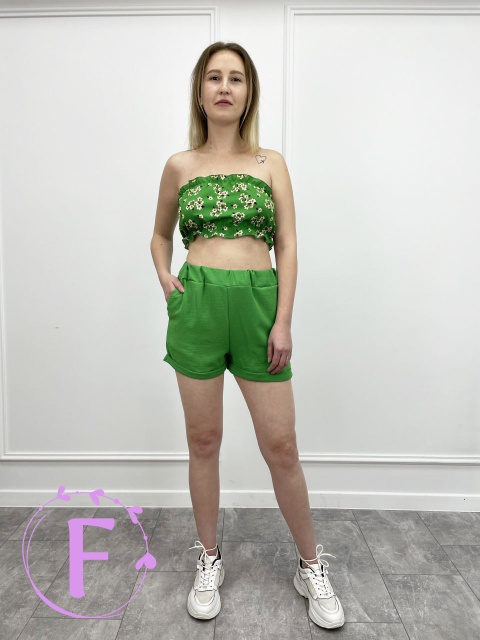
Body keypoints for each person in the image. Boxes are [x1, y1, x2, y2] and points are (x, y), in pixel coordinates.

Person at [150, 41, 345, 630]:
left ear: (248, 91)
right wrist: (166, 277)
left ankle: (310, 565)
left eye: (235, 78)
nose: (224, 87)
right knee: (203, 440)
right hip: (198, 304)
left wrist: (282, 319)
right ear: (201, 91)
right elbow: (160, 235)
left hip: (260, 304)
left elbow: (287, 244)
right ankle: (209, 559)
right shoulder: (180, 165)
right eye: (214, 77)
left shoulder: (270, 163)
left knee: (281, 446)